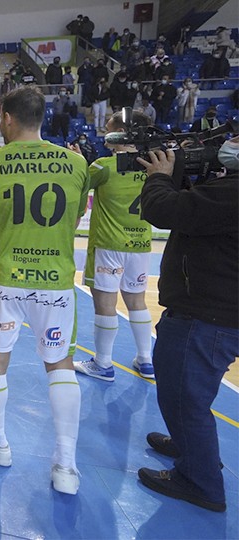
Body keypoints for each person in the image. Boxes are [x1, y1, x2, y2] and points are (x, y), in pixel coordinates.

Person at [0, 86, 89, 495]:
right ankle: (66, 466)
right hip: (54, 282)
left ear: (6, 119)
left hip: (4, 279)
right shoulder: (76, 162)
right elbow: (72, 223)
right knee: (60, 365)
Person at [134, 139, 238, 513]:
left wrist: (160, 177)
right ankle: (189, 446)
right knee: (192, 392)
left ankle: (200, 480)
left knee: (185, 398)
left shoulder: (232, 192)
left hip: (207, 313)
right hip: (217, 308)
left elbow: (165, 210)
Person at [74, 110, 155, 383]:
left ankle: (103, 363)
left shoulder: (103, 166)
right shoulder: (152, 165)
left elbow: (77, 185)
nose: (104, 132)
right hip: (141, 244)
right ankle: (146, 360)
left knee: (105, 305)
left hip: (109, 246)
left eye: (108, 128)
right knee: (137, 302)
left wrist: (76, 160)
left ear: (121, 132)